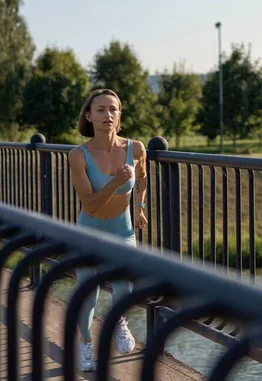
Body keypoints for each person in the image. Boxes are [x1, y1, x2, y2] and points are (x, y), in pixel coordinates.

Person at [68, 88, 148, 372]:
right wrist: (115, 183)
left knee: (126, 281)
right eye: (100, 110)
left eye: (113, 109)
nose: (108, 115)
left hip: (123, 230)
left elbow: (142, 178)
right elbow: (89, 205)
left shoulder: (135, 148)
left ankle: (119, 321)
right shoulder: (78, 155)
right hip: (89, 231)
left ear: (120, 116)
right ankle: (86, 343)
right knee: (89, 293)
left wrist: (139, 207)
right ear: (89, 116)